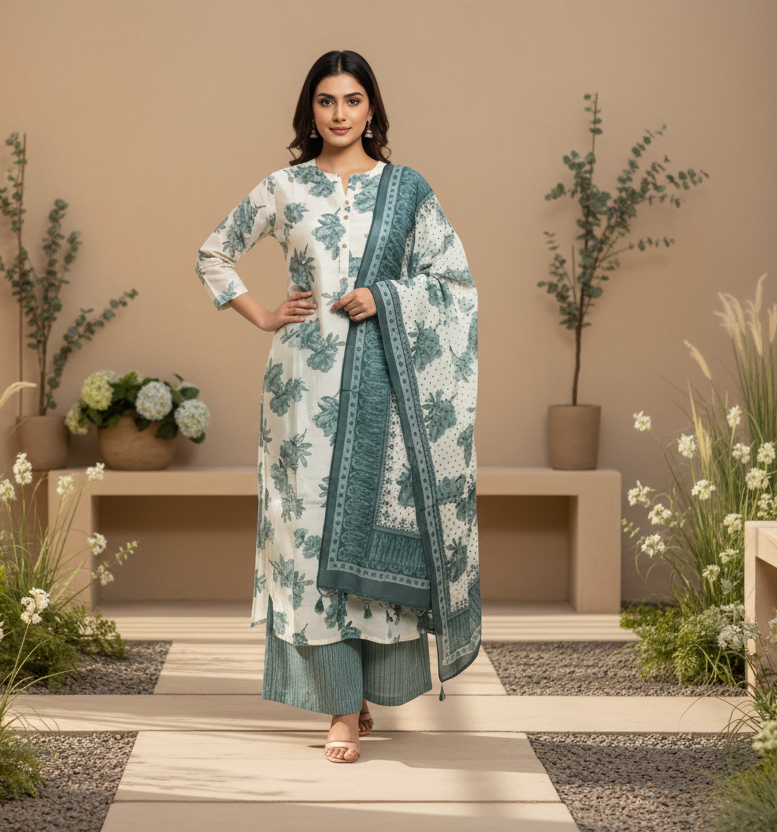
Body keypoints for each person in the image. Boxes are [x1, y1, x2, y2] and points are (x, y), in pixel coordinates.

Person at [195, 50, 480, 764]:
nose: (340, 113)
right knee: (307, 539)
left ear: (372, 110)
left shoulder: (407, 189)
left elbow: (454, 283)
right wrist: (262, 313)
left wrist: (384, 296)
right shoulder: (284, 188)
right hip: (302, 390)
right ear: (310, 110)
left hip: (385, 385)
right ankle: (339, 709)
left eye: (353, 100)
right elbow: (213, 253)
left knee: (364, 528)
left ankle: (363, 694)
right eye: (327, 101)